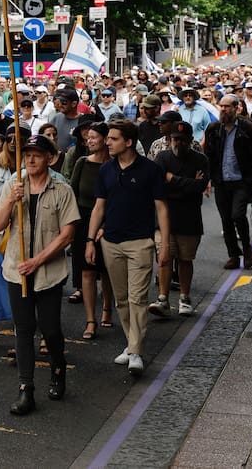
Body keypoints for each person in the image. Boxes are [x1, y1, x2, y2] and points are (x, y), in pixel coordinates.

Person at [0, 134, 78, 414]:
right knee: (24, 329)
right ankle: (25, 389)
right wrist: (11, 200)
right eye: (27, 155)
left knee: (50, 330)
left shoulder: (62, 190)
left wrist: (37, 261)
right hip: (17, 272)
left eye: (36, 155)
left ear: (49, 159)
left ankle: (58, 367)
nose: (30, 160)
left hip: (48, 273)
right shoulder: (13, 186)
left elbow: (67, 235)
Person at [85, 119, 171, 377]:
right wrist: (90, 240)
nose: (107, 142)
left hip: (140, 243)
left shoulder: (150, 170)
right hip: (110, 242)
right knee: (121, 299)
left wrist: (165, 245)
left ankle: (135, 350)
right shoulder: (106, 170)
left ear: (129, 142)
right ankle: (131, 343)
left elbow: (162, 209)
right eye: (108, 138)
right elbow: (98, 207)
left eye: (113, 139)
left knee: (138, 298)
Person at [150, 122, 209, 318]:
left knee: (185, 259)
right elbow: (157, 184)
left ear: (190, 141)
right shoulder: (162, 157)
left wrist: (172, 179)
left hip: (189, 218)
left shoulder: (200, 159)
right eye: (176, 139)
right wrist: (188, 183)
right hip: (164, 218)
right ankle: (163, 298)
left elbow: (199, 187)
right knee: (164, 258)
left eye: (183, 140)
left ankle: (185, 297)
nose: (179, 143)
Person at [203, 95, 252, 270]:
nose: (223, 109)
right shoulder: (214, 129)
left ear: (236, 108)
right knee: (226, 220)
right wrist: (209, 178)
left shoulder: (248, 129)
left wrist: (250, 179)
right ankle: (233, 255)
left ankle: (246, 247)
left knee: (237, 215)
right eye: (221, 106)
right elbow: (209, 155)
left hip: (241, 182)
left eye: (227, 106)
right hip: (221, 182)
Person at [68, 122, 115, 339]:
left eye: (94, 137)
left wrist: (104, 226)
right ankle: (90, 320)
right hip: (83, 221)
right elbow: (73, 193)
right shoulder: (82, 163)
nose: (89, 141)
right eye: (88, 138)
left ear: (105, 139)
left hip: (109, 222)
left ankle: (107, 309)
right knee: (87, 271)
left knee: (105, 271)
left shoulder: (114, 166)